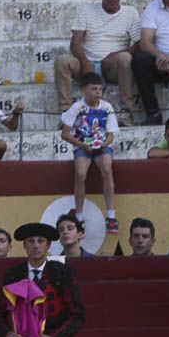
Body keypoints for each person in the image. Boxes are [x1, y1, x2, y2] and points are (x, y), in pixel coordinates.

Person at [54, 0, 141, 126]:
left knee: (125, 58)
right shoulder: (86, 9)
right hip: (86, 63)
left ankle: (126, 112)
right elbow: (75, 44)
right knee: (62, 61)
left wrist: (116, 55)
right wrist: (86, 62)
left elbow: (140, 44)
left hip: (113, 66)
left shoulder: (131, 13)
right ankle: (67, 113)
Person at [60, 72, 119, 233]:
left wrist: (102, 144)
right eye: (94, 89)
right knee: (80, 174)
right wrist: (82, 145)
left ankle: (111, 214)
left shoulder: (107, 107)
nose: (98, 92)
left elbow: (111, 134)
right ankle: (79, 216)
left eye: (100, 89)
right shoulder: (77, 107)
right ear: (83, 90)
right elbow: (65, 134)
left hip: (100, 146)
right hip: (82, 146)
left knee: (107, 168)